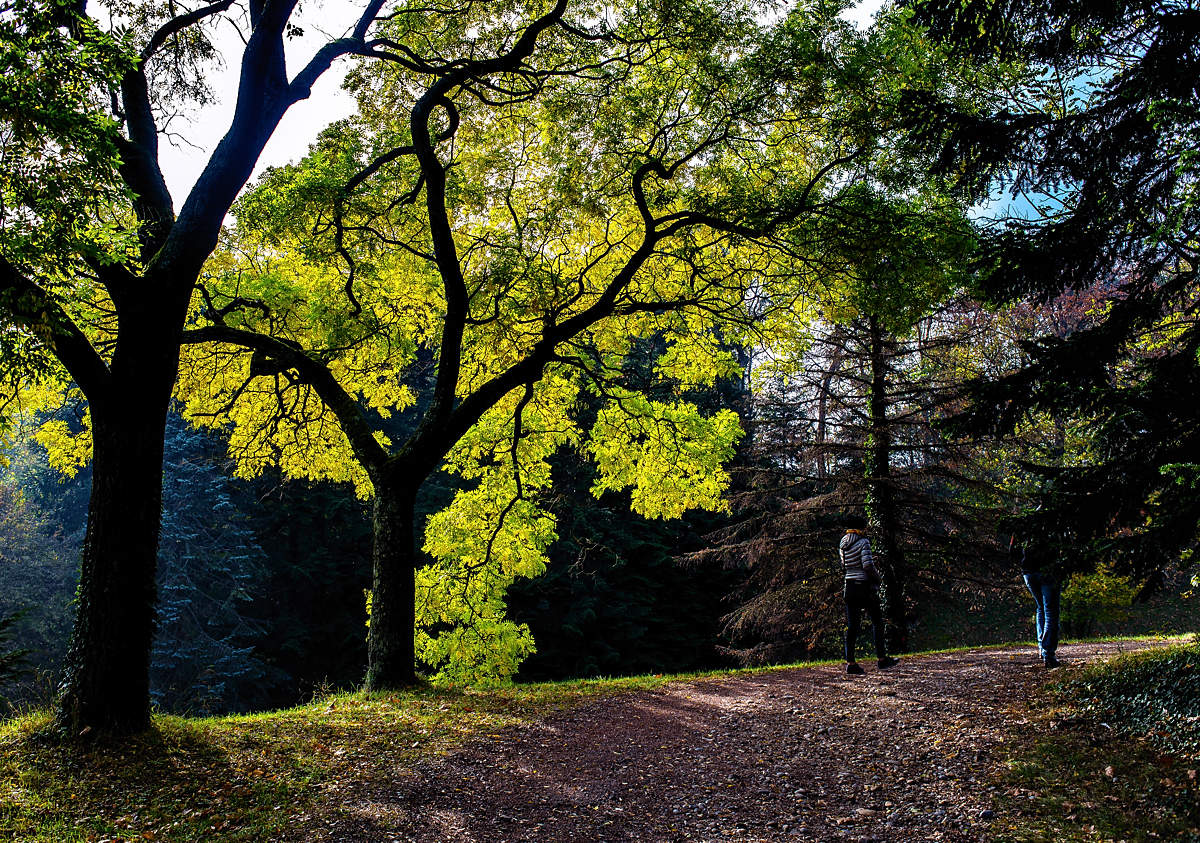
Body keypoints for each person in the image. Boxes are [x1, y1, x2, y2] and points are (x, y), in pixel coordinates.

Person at [839, 514, 898, 675]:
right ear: (860, 528)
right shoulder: (863, 542)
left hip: (849, 586)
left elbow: (843, 565)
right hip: (864, 586)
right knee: (877, 621)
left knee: (852, 626)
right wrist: (878, 579)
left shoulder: (843, 543)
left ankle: (850, 663)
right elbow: (868, 566)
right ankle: (882, 659)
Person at [1010, 533, 1061, 668]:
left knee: (1041, 608)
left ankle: (1042, 648)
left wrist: (1024, 562)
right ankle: (1048, 654)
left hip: (1028, 572)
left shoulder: (1021, 525)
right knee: (1050, 611)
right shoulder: (1054, 524)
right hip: (1048, 570)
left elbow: (1012, 550)